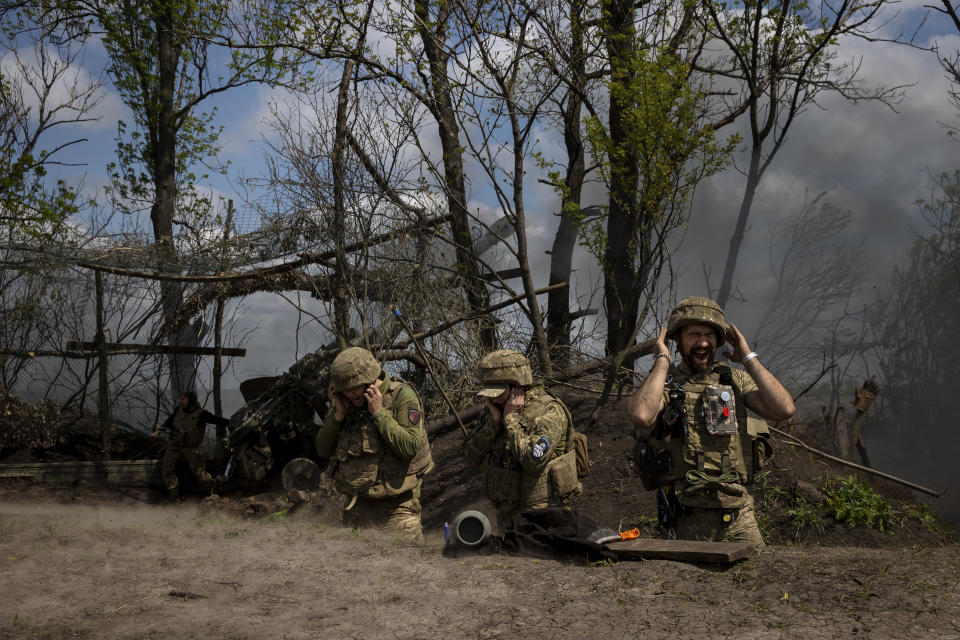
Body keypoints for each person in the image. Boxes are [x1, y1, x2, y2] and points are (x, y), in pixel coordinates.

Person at [627, 297, 795, 546]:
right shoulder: (666, 383)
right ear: (677, 339)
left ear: (718, 340)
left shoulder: (734, 380)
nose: (703, 342)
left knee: (757, 579)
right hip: (685, 515)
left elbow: (784, 408)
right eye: (694, 334)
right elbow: (641, 414)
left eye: (709, 335)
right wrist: (662, 361)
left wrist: (748, 357)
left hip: (738, 516)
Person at [315, 347, 433, 542]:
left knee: (405, 566)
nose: (351, 395)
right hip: (356, 508)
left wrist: (379, 413)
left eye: (355, 388)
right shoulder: (344, 405)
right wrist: (338, 415)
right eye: (345, 390)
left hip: (398, 510)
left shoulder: (402, 396)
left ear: (370, 381)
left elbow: (409, 447)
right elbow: (322, 450)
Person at [462, 349, 581, 531]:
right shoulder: (494, 410)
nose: (492, 398)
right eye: (489, 393)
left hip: (544, 518)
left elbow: (533, 461)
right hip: (506, 516)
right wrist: (493, 425)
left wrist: (510, 420)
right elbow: (470, 457)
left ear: (517, 387)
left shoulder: (549, 411)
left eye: (497, 393)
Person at [152, 390, 230, 500]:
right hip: (175, 445)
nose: (181, 401)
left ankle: (211, 493)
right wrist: (158, 431)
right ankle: (173, 496)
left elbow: (216, 420)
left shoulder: (201, 414)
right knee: (167, 468)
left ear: (191, 401)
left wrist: (232, 422)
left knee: (199, 472)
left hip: (190, 448)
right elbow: (170, 421)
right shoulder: (179, 409)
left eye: (184, 399)